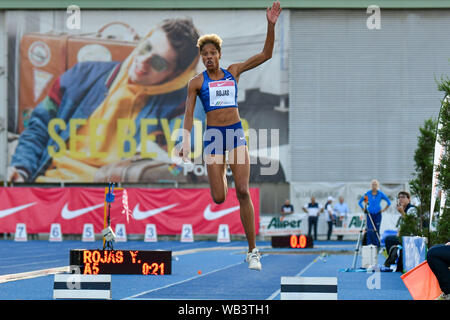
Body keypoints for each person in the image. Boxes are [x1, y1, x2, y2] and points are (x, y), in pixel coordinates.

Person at [8, 18, 201, 183]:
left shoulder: (180, 106)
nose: (143, 62)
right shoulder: (81, 75)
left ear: (176, 75)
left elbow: (184, 157)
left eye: (158, 62)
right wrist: (21, 168)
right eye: (146, 47)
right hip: (51, 186)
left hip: (113, 202)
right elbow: (38, 127)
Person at [178, 1, 282, 271]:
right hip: (213, 138)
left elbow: (266, 54)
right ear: (201, 58)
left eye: (213, 53)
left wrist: (271, 25)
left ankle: (252, 251)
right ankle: (221, 171)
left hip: (235, 134)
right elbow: (189, 114)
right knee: (219, 198)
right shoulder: (197, 83)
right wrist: (186, 139)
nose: (209, 57)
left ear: (220, 54)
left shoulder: (233, 71)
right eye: (205, 54)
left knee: (243, 191)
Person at [358, 179, 391, 247]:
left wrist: (383, 210)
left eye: (375, 184)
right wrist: (364, 209)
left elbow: (389, 202)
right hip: (369, 214)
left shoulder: (380, 193)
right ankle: (369, 244)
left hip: (378, 214)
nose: (374, 186)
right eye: (373, 184)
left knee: (376, 230)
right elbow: (360, 202)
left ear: (378, 185)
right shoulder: (367, 193)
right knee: (370, 230)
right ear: (371, 185)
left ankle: (377, 245)